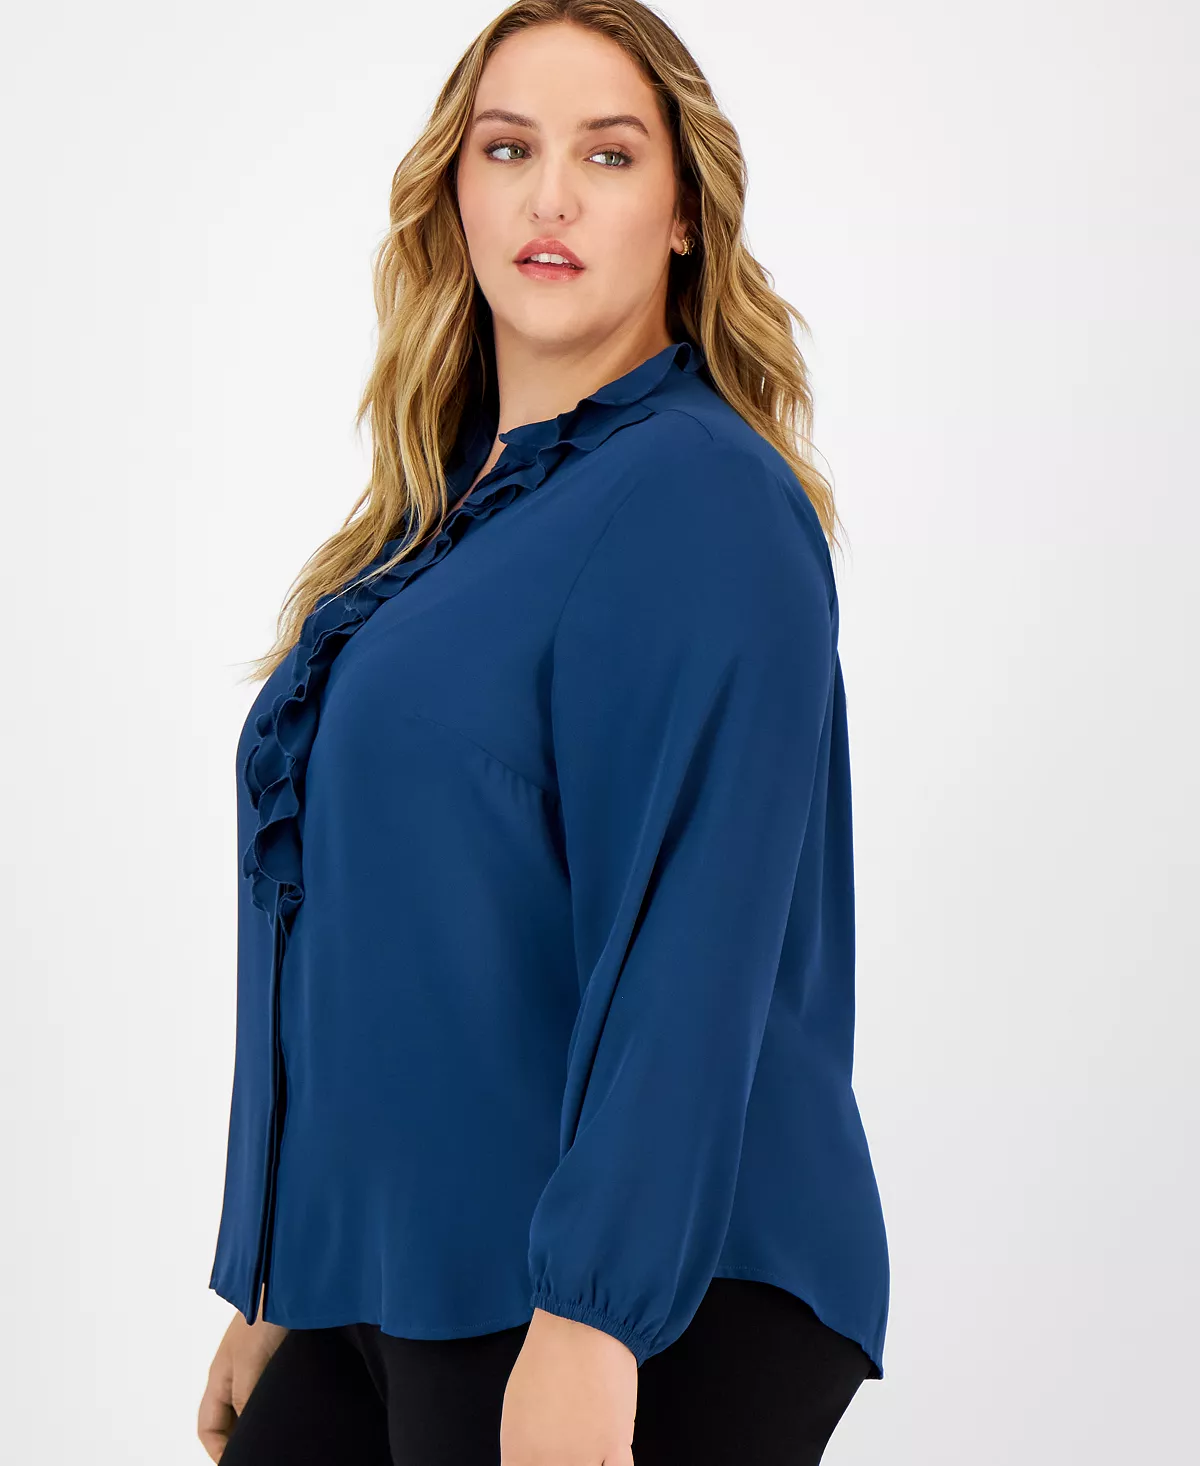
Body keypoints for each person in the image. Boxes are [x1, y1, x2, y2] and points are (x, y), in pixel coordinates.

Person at [197, 3, 890, 1462]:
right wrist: (282, 1266)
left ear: (685, 213)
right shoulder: (435, 526)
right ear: (455, 193)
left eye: (609, 154)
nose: (551, 195)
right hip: (402, 1267)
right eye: (509, 149)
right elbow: (368, 930)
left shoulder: (702, 493)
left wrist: (593, 1317)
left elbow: (698, 937)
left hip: (642, 1282)